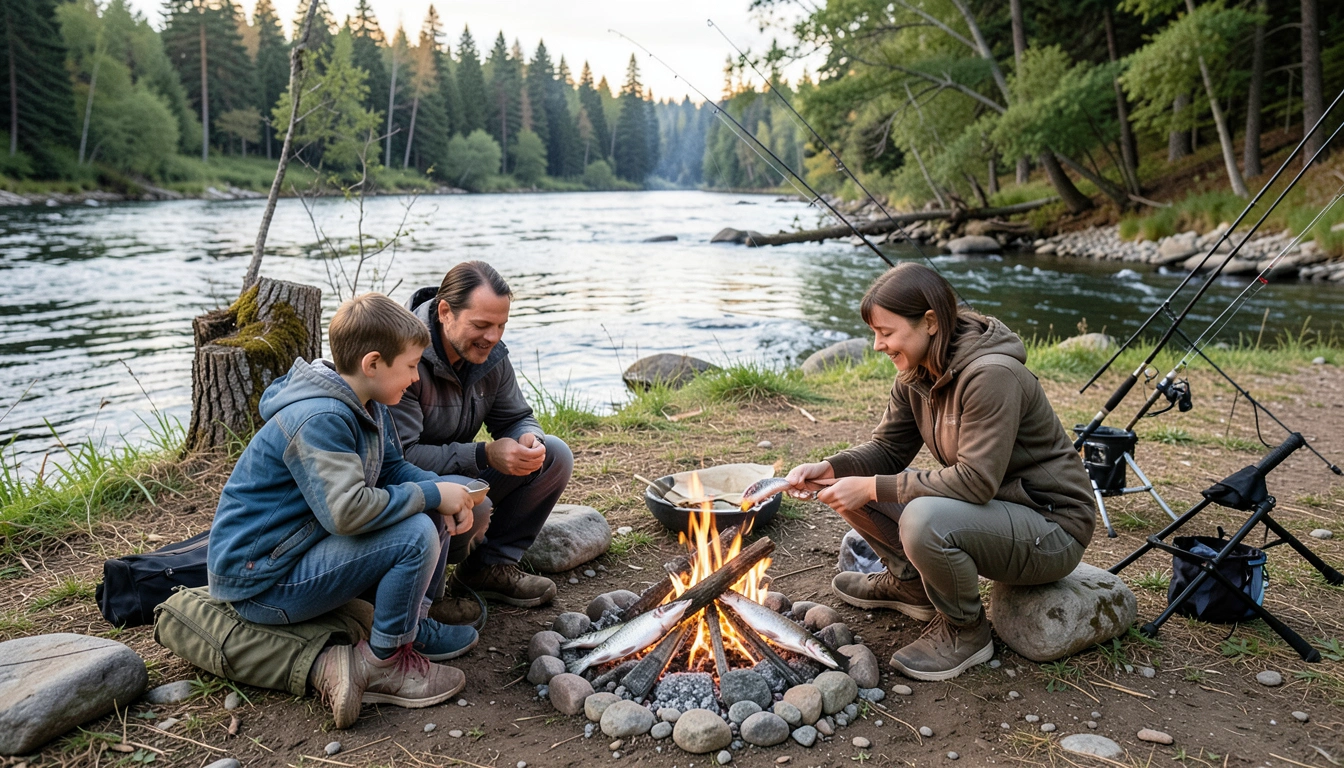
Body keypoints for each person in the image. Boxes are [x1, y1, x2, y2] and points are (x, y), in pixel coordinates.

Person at [785, 263, 1096, 682]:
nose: (878, 345)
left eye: (886, 332)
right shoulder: (917, 373)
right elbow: (887, 450)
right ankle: (911, 585)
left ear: (930, 322)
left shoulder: (993, 375)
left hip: (1051, 526)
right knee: (845, 485)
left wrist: (871, 487)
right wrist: (830, 468)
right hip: (994, 512)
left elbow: (975, 480)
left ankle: (966, 631)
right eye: (874, 333)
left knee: (920, 517)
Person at [208, 293, 480, 728]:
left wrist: (446, 490)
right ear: (373, 363)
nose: (415, 379)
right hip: (264, 583)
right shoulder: (320, 418)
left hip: (298, 552)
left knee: (426, 503)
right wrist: (431, 497)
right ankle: (384, 664)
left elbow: (391, 469)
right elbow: (347, 513)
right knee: (416, 532)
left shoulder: (367, 401)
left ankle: (412, 627)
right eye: (410, 366)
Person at [392, 261, 573, 612]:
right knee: (477, 505)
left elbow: (517, 417)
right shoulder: (403, 356)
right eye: (482, 325)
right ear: (445, 312)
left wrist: (527, 439)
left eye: (501, 325)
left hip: (456, 471)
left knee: (554, 454)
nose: (493, 336)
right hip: (405, 484)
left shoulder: (488, 354)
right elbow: (400, 459)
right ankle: (425, 602)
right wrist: (484, 454)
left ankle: (487, 568)